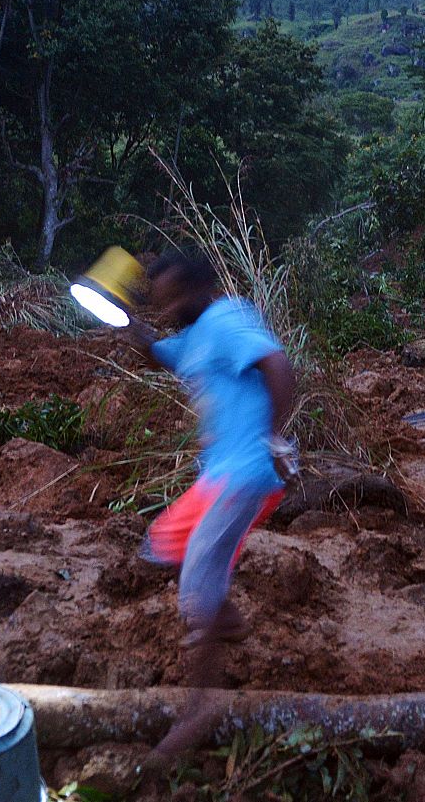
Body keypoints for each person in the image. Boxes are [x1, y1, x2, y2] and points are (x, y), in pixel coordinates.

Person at [124, 249, 296, 765]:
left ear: (200, 288)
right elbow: (162, 353)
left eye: (175, 294)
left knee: (196, 586)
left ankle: (202, 709)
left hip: (245, 473)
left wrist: (275, 438)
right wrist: (132, 330)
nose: (169, 304)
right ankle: (232, 624)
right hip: (217, 476)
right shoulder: (197, 337)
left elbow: (277, 363)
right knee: (165, 545)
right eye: (162, 299)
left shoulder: (225, 318)